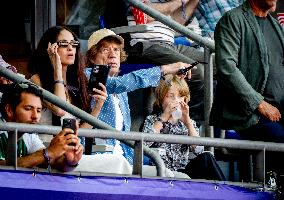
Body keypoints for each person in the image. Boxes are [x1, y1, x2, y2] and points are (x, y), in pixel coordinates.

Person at [85, 28, 192, 164]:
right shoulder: (88, 76)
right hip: (100, 158)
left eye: (116, 50)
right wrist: (165, 69)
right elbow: (118, 84)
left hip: (124, 158)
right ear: (92, 56)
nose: (112, 55)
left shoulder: (122, 91)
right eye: (105, 50)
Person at [210, 0, 284, 178]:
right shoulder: (232, 19)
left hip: (278, 109)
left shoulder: (275, 25)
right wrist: (259, 103)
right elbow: (226, 67)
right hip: (248, 112)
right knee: (279, 140)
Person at [27, 26, 107, 145]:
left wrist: (98, 106)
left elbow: (78, 133)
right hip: (45, 148)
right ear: (50, 48)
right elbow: (60, 110)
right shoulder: (36, 79)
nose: (70, 48)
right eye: (64, 44)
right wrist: (57, 70)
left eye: (73, 44)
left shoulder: (77, 82)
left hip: (70, 150)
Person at [142, 74, 225, 180]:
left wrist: (188, 123)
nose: (176, 100)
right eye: (171, 96)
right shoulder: (152, 119)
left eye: (180, 96)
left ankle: (226, 190)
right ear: (161, 99)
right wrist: (163, 118)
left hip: (183, 171)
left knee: (206, 157)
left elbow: (199, 150)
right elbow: (144, 145)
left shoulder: (187, 122)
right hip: (160, 171)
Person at [0, 82, 83, 172]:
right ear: (9, 110)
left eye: (39, 110)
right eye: (28, 108)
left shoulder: (28, 134)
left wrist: (70, 161)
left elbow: (51, 161)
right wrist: (48, 153)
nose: (35, 116)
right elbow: (3, 167)